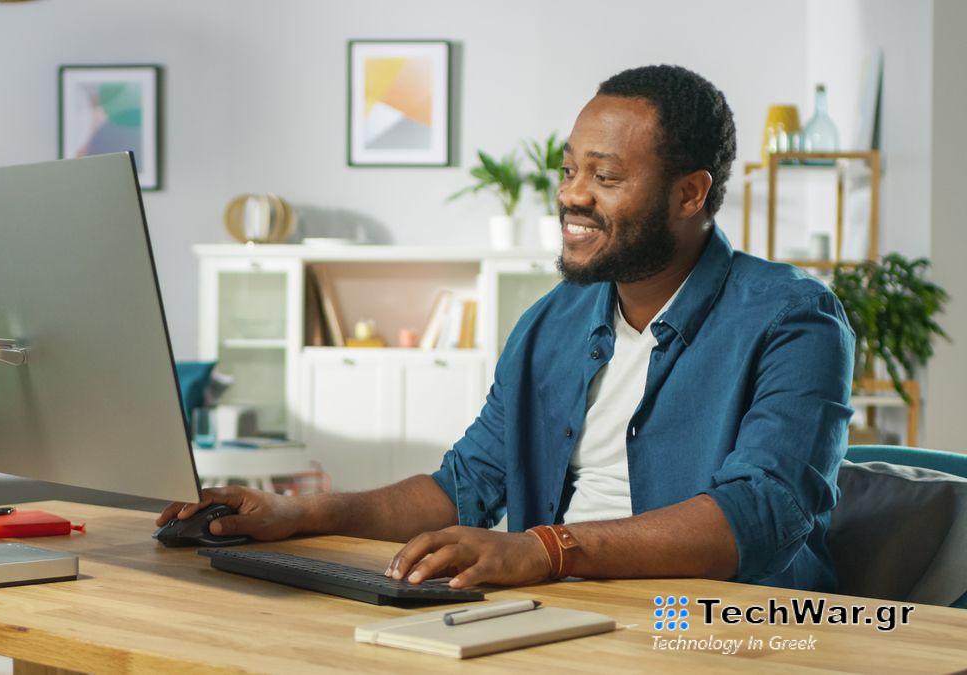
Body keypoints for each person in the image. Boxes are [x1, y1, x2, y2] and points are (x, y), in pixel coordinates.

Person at [159, 64, 854, 592]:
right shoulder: (552, 321)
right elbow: (465, 484)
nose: (572, 195)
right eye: (569, 169)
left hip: (722, 630)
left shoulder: (793, 318)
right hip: (563, 612)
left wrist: (545, 549)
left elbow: (762, 513)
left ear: (690, 193)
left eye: (606, 176)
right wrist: (297, 513)